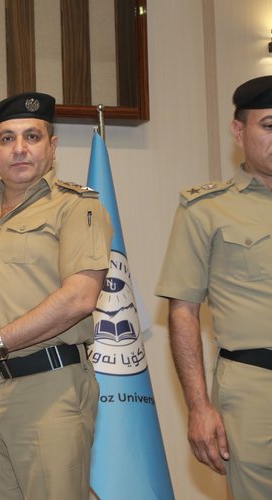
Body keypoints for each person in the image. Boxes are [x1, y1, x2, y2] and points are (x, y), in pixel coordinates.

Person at [0, 92, 113, 499]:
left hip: (49, 389)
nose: (19, 148)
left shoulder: (77, 208)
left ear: (52, 146)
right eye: (7, 138)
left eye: (32, 136)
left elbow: (80, 298)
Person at [156, 75, 272, 498]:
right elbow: (183, 311)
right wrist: (199, 407)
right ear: (238, 132)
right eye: (269, 125)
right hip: (254, 391)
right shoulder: (206, 208)